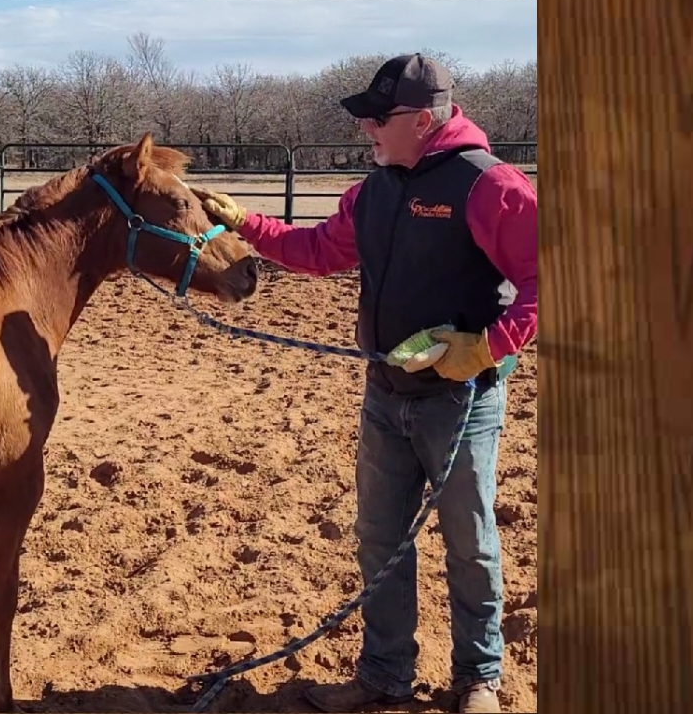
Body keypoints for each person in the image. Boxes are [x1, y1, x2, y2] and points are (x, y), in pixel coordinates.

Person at [190, 53, 537, 714]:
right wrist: (246, 225)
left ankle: (479, 678)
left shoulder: (491, 187)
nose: (367, 130)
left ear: (427, 120)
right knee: (379, 540)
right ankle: (383, 676)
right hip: (386, 395)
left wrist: (488, 346)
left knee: (470, 542)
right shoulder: (373, 192)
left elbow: (547, 280)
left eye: (380, 118)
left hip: (460, 402)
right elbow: (320, 250)